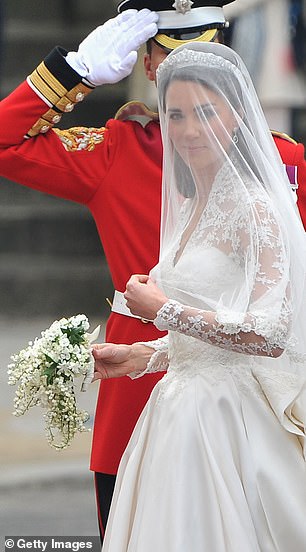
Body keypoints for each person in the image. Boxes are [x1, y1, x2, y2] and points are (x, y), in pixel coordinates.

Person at [0, 0, 305, 538]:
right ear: (148, 67)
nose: (188, 125)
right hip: (141, 401)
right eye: (170, 65)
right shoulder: (120, 149)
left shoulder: (285, 166)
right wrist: (74, 73)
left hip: (247, 407)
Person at [93, 41, 306, 551]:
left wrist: (161, 310)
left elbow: (270, 334)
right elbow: (215, 328)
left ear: (236, 115)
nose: (188, 131)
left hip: (230, 421)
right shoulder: (190, 204)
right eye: (175, 114)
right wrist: (144, 355)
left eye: (205, 113)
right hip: (176, 409)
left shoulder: (255, 209)